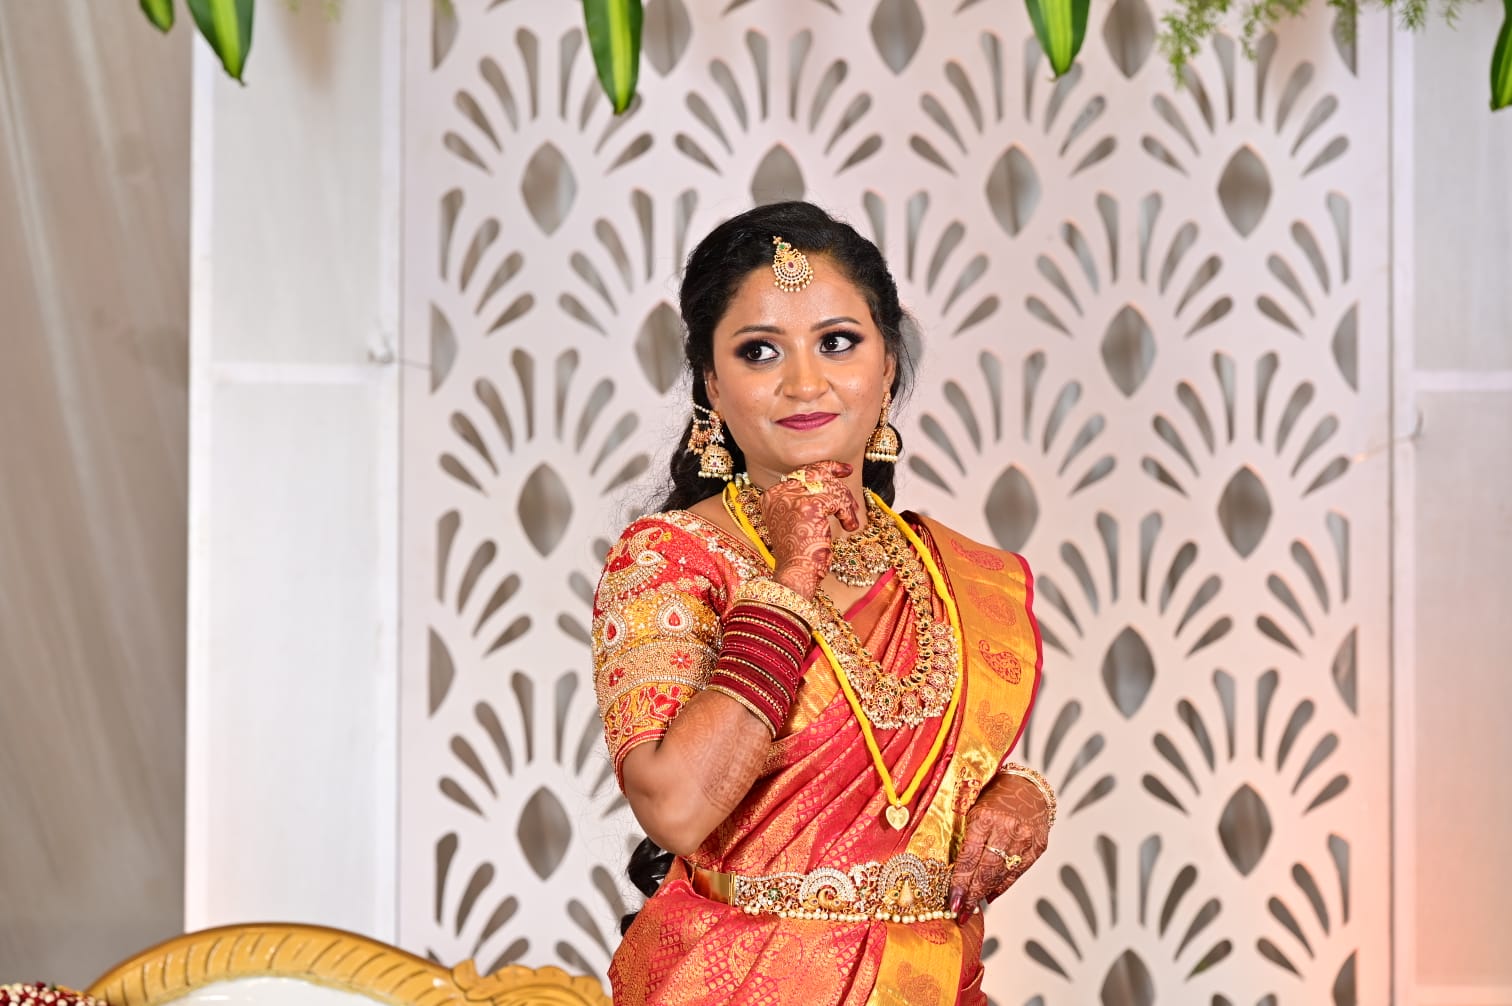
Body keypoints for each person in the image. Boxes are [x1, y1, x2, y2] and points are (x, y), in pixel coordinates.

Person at [591, 201, 1054, 1005]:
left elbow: (900, 789)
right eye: (759, 351)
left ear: (887, 366)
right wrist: (788, 583)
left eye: (838, 342)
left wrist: (1019, 795)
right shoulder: (671, 558)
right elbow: (676, 807)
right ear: (712, 386)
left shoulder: (949, 571)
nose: (805, 383)